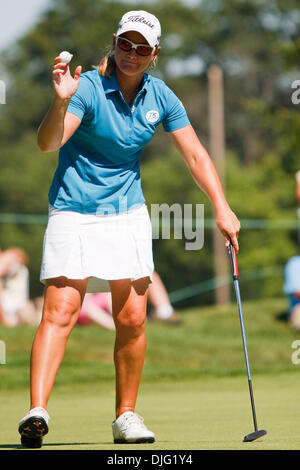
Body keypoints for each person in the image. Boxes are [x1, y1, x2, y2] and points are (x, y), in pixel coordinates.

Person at [18, 10, 240, 448]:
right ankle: (37, 410)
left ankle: (126, 416)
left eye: (142, 48)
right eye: (125, 44)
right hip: (73, 209)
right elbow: (48, 143)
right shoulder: (86, 89)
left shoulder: (161, 96)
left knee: (134, 317)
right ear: (114, 42)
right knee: (59, 311)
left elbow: (195, 156)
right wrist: (61, 99)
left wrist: (222, 206)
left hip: (126, 213)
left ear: (154, 54)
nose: (131, 54)